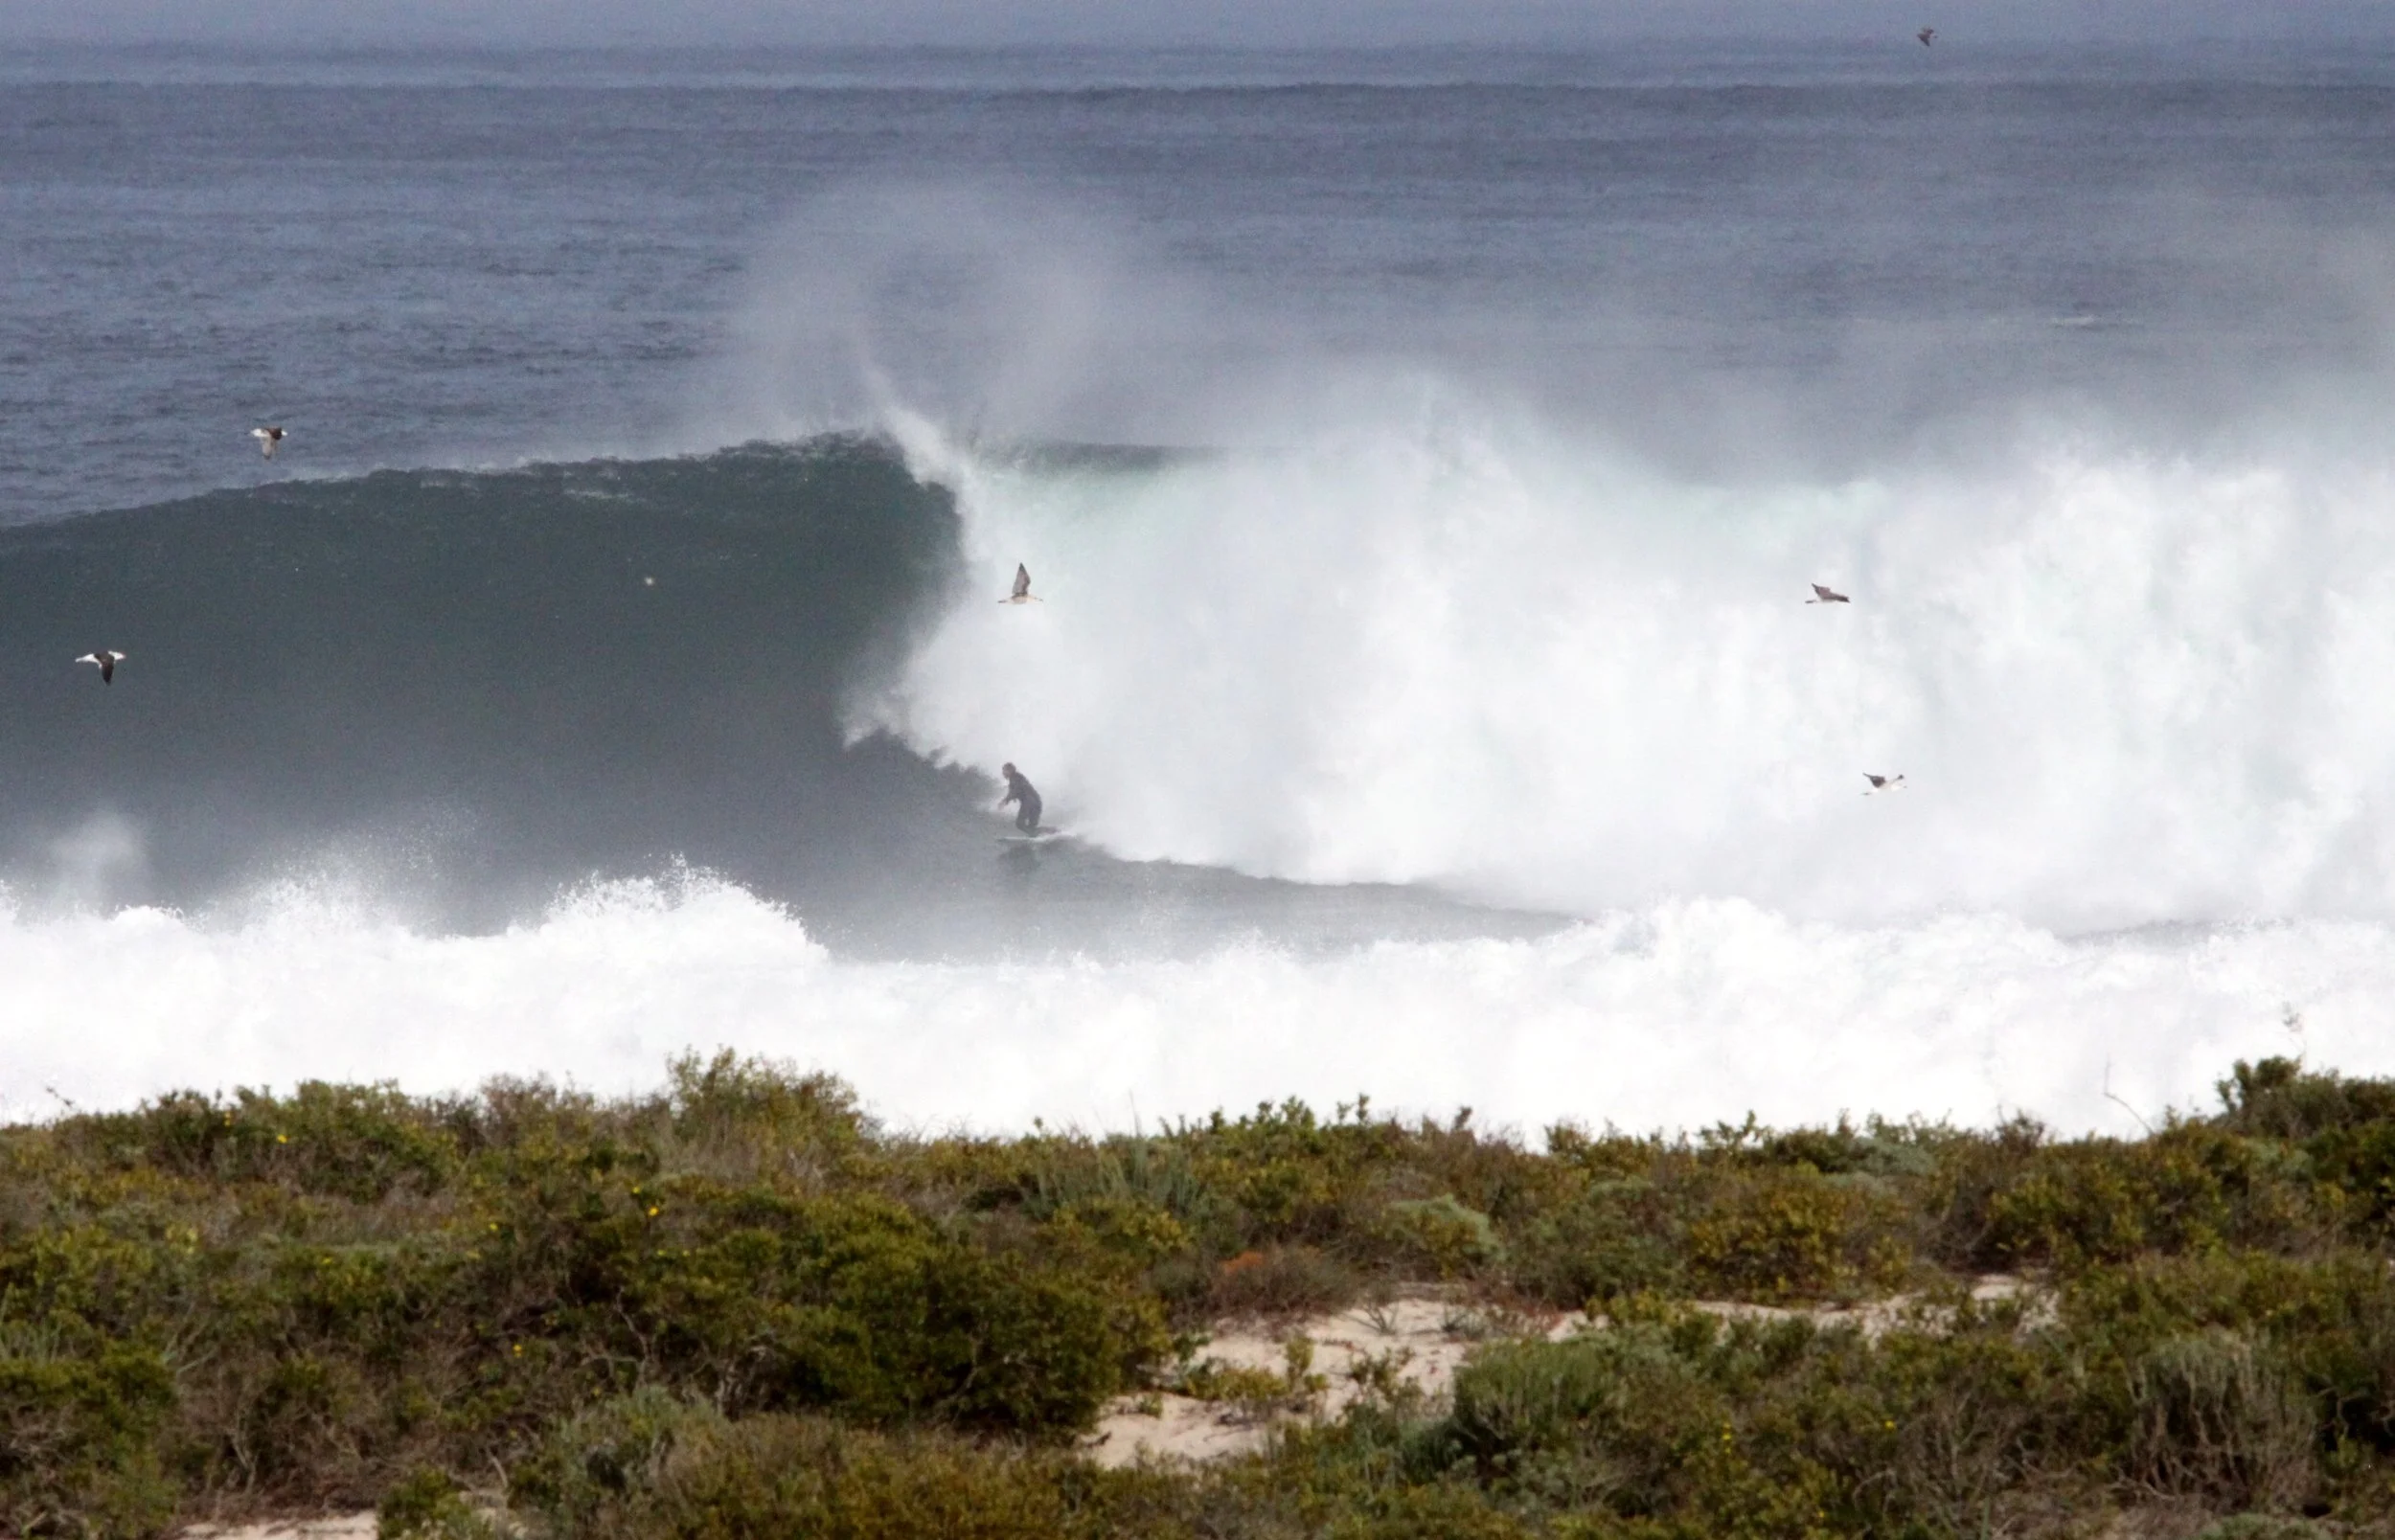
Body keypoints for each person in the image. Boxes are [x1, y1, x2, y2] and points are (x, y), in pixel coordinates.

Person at [999, 762, 1043, 833]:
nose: (1003, 773)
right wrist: (1007, 800)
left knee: (1020, 824)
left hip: (1029, 802)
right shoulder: (1016, 778)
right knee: (1031, 827)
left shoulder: (1016, 778)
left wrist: (1005, 800)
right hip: (1037, 802)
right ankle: (1050, 832)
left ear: (1010, 770)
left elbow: (1015, 790)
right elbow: (1015, 791)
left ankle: (1038, 834)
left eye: (1004, 771)